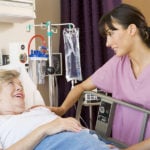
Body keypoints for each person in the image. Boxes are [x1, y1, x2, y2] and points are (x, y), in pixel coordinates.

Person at [51, 3, 150, 146]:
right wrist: (62, 109)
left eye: (111, 33)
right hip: (119, 144)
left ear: (131, 29)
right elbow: (81, 87)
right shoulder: (118, 63)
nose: (108, 44)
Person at [0, 69, 118, 150]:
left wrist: (94, 141)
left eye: (20, 84)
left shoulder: (37, 110)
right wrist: (47, 128)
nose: (19, 88)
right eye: (11, 83)